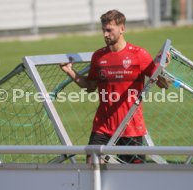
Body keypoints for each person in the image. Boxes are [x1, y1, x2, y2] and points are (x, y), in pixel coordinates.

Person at [60, 10, 169, 164]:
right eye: (103, 30)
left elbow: (163, 85)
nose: (105, 34)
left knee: (133, 177)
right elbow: (90, 86)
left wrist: (162, 68)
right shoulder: (98, 56)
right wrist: (70, 72)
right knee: (93, 166)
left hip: (131, 128)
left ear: (122, 29)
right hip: (102, 127)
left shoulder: (139, 54)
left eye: (109, 30)